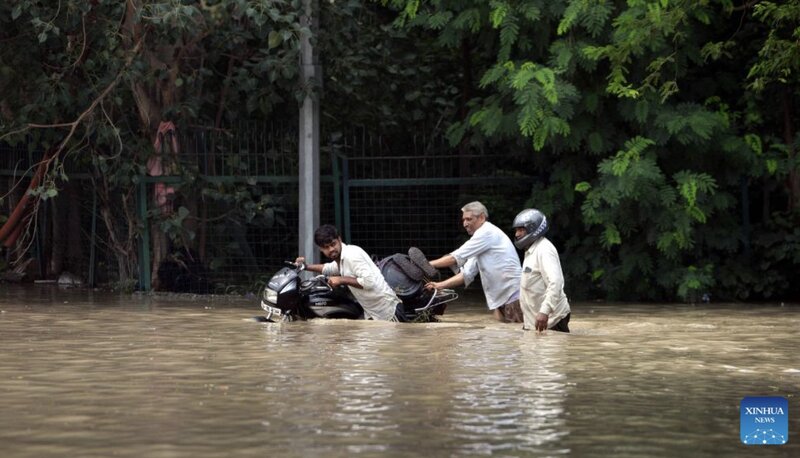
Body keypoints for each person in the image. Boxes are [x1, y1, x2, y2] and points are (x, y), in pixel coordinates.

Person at [423, 201, 523, 322]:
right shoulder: (480, 242)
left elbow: (455, 257)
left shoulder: (486, 232)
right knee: (500, 336)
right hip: (499, 300)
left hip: (512, 296)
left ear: (481, 217)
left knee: (519, 337)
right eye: (463, 220)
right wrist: (438, 285)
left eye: (469, 219)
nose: (465, 224)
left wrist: (426, 265)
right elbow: (466, 274)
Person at [295, 224, 407, 322]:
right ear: (321, 249)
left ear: (339, 239)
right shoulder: (341, 258)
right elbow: (329, 268)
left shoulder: (351, 255)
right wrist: (306, 266)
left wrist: (341, 279)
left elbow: (369, 282)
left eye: (333, 244)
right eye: (326, 247)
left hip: (388, 312)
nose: (331, 249)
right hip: (373, 313)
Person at [512, 208, 571, 332]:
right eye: (516, 230)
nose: (517, 234)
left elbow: (555, 282)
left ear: (533, 230)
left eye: (521, 230)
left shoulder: (544, 250)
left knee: (547, 351)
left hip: (551, 320)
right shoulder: (531, 250)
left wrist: (544, 311)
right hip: (534, 321)